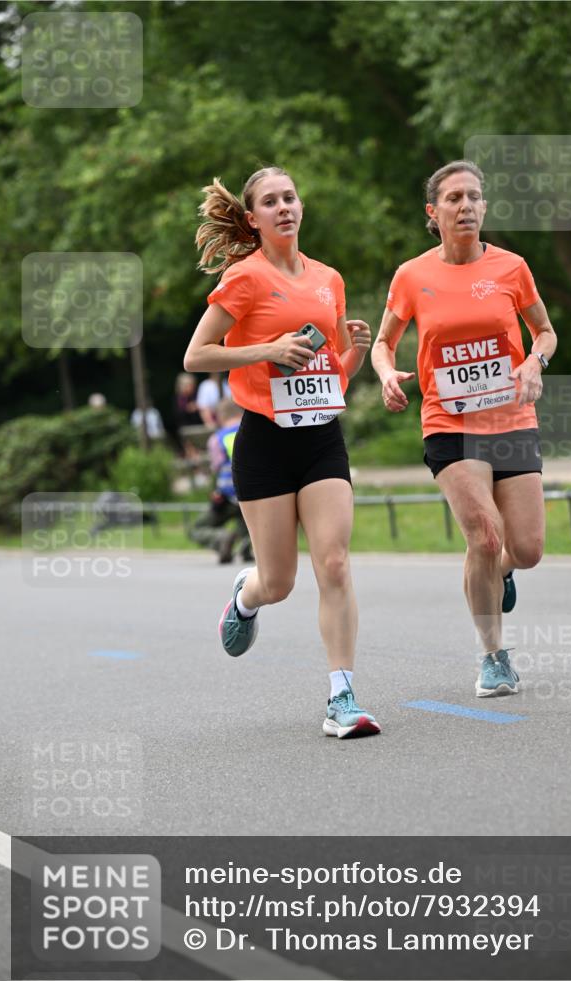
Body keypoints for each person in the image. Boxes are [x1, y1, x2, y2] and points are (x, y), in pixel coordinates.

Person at [184, 165, 380, 738]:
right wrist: (266, 349)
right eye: (270, 202)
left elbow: (331, 377)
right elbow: (197, 355)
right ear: (253, 219)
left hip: (321, 438)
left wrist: (356, 352)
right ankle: (246, 599)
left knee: (335, 563)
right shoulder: (244, 278)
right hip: (265, 443)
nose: (284, 207)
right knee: (279, 583)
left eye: (290, 197)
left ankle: (342, 697)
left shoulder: (328, 280)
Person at [371, 160, 557, 698]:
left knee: (526, 549)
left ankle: (501, 571)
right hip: (448, 422)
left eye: (474, 196)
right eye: (454, 198)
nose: (466, 206)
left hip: (510, 418)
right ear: (433, 212)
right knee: (484, 535)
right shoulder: (412, 276)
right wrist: (386, 374)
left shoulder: (511, 268)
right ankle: (493, 657)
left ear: (484, 206)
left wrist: (534, 363)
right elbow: (384, 343)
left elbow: (545, 332)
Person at [189, 398, 253, 563]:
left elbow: (216, 469)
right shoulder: (253, 432)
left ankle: (220, 537)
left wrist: (214, 490)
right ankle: (247, 547)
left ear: (220, 417)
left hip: (228, 496)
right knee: (247, 520)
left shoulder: (217, 439)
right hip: (253, 494)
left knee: (196, 528)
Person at [173, 372, 204, 460]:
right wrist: (188, 409)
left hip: (197, 427)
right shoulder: (179, 398)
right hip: (185, 428)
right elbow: (178, 414)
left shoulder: (196, 396)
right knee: (190, 448)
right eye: (189, 385)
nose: (192, 387)